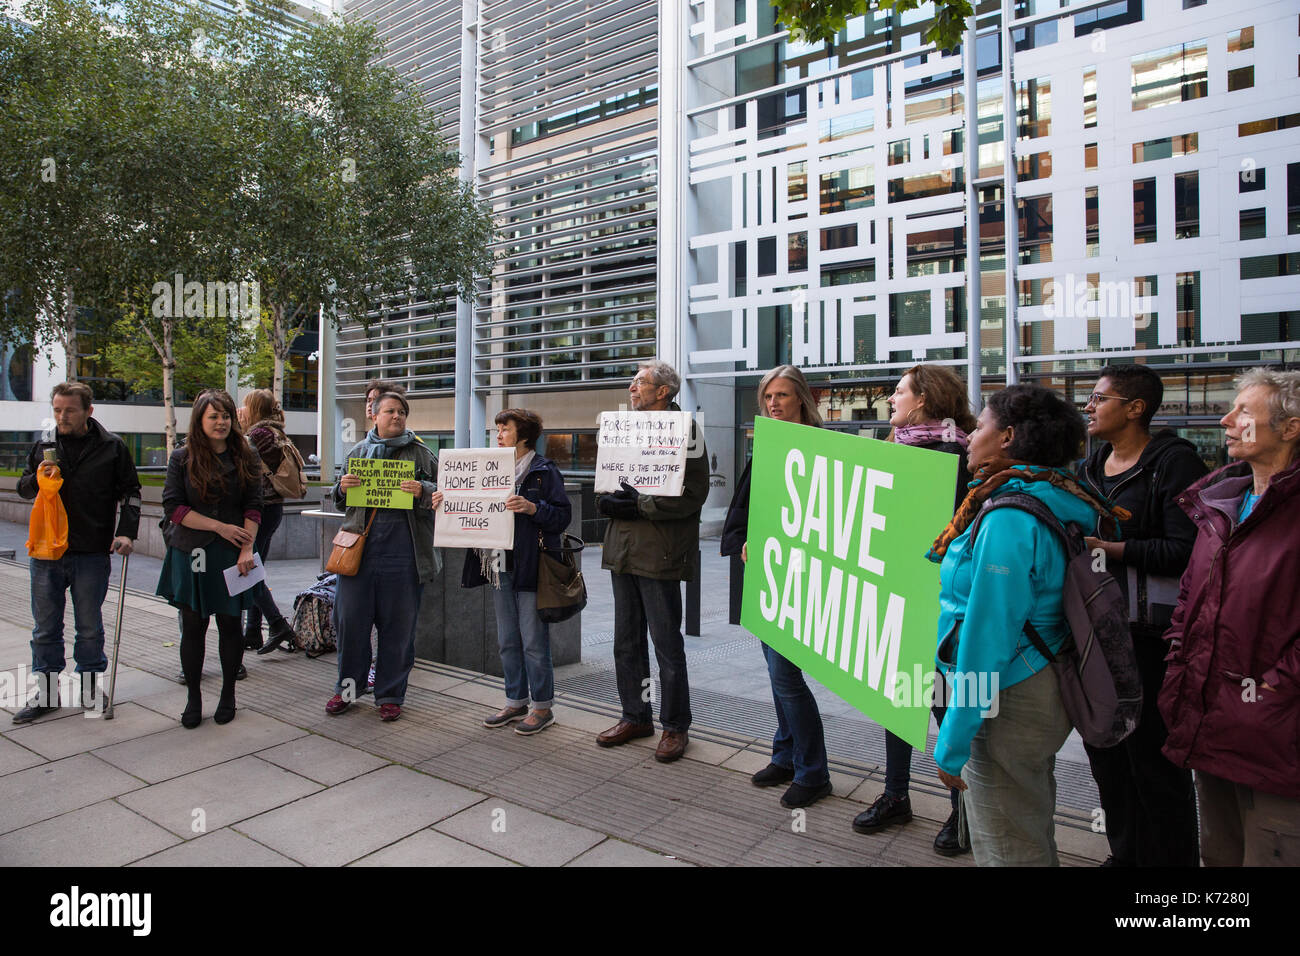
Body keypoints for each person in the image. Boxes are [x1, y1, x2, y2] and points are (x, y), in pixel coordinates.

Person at [926, 384, 1126, 866]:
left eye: (982, 426)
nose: (971, 435)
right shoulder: (1051, 494)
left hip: (1009, 695)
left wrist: (952, 742)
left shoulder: (1010, 516)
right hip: (1037, 678)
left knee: (1009, 844)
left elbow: (988, 636)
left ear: (1008, 437)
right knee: (1025, 821)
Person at [1159, 368, 1300, 866]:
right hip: (1210, 720)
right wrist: (1180, 658)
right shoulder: (1221, 504)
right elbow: (1191, 597)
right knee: (1220, 856)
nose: (1226, 419)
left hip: (1278, 737)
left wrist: (1264, 695)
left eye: (1244, 411)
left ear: (1290, 428)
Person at [1076, 365, 1205, 867]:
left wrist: (1110, 549)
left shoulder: (1173, 464)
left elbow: (1185, 549)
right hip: (1095, 631)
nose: (1088, 406)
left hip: (1150, 636)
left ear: (1134, 408)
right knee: (1105, 753)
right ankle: (1125, 853)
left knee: (1153, 758)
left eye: (1099, 397)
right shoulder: (1093, 464)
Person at [852, 364, 975, 854]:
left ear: (922, 400)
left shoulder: (958, 456)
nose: (892, 399)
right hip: (896, 595)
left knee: (947, 709)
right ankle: (896, 795)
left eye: (899, 392)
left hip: (942, 606)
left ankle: (962, 812)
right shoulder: (894, 450)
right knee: (895, 702)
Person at [721, 365, 832, 808]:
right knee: (774, 672)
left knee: (786, 676)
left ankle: (814, 772)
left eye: (783, 395)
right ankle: (785, 755)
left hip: (802, 578)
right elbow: (750, 506)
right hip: (768, 573)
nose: (774, 403)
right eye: (768, 396)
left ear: (802, 398)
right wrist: (745, 539)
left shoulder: (824, 448)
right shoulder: (767, 443)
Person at [595, 360, 708, 763]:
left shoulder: (686, 431)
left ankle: (675, 726)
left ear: (664, 391)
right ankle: (635, 716)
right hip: (622, 550)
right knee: (625, 643)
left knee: (666, 644)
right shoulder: (623, 427)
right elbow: (609, 483)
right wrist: (607, 502)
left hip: (659, 551)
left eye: (640, 382)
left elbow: (694, 493)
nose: (632, 387)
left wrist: (641, 505)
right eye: (632, 381)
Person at [14, 382, 140, 723]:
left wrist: (126, 532)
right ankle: (47, 692)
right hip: (45, 552)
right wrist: (37, 480)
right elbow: (22, 488)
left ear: (88, 411)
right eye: (57, 409)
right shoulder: (44, 445)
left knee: (89, 626)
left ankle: (87, 689)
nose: (62, 416)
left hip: (91, 550)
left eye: (69, 410)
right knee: (45, 628)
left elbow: (131, 492)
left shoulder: (112, 447)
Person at [325, 391, 440, 722]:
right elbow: (340, 501)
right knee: (351, 628)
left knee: (398, 631)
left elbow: (445, 495)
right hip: (359, 559)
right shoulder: (357, 453)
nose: (397, 416)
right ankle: (347, 690)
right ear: (373, 415)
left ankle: (390, 695)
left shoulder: (421, 454)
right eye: (390, 411)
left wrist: (424, 491)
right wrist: (342, 488)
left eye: (402, 411)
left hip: (404, 558)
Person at [157, 389, 263, 728]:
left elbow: (254, 506)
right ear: (200, 421)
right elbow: (174, 508)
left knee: (230, 623)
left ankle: (229, 694)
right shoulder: (181, 458)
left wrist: (247, 548)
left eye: (226, 416)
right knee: (193, 624)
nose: (220, 422)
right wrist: (219, 527)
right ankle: (194, 698)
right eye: (213, 416)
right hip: (191, 550)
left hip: (233, 552)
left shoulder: (247, 455)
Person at [463, 409, 572, 736]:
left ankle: (542, 707)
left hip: (531, 565)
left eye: (504, 429)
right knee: (507, 639)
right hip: (498, 562)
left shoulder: (544, 471)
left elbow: (562, 516)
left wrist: (533, 508)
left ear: (523, 435)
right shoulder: (489, 467)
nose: (498, 435)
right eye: (497, 429)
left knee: (533, 640)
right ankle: (515, 700)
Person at [233, 389, 301, 656]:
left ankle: (276, 623)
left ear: (255, 410)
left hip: (261, 510)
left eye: (245, 406)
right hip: (272, 509)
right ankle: (252, 632)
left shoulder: (259, 434)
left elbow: (239, 460)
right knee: (256, 568)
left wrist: (238, 429)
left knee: (248, 570)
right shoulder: (273, 431)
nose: (241, 410)